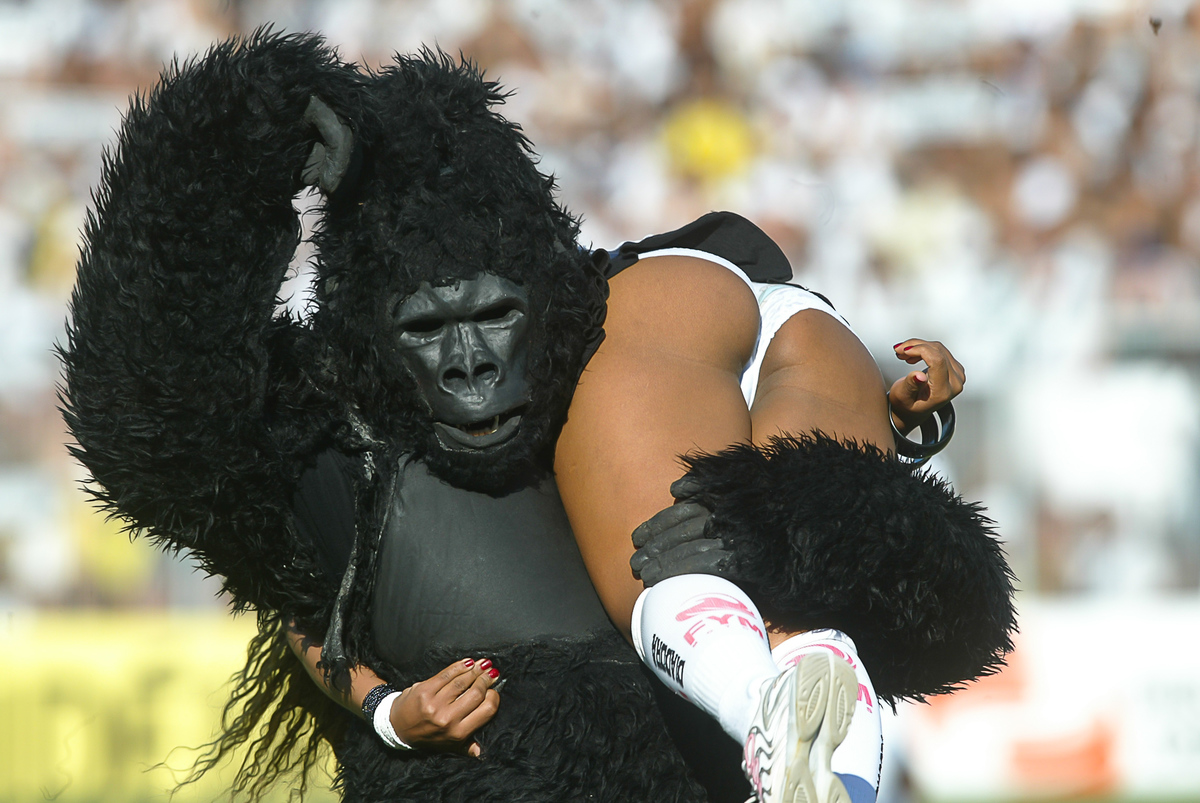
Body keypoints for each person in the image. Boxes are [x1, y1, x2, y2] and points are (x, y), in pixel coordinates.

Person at [553, 212, 1008, 803]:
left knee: (674, 562)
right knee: (808, 619)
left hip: (668, 299)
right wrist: (892, 422)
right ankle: (832, 775)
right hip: (817, 331)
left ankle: (760, 709)